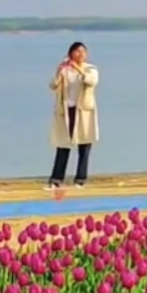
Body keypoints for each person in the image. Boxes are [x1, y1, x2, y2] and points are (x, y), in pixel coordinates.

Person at [47, 41, 99, 189]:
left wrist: (78, 69)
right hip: (66, 110)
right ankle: (56, 179)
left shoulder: (91, 69)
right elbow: (53, 85)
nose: (80, 54)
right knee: (63, 144)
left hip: (83, 111)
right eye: (77, 51)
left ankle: (80, 179)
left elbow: (91, 81)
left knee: (84, 145)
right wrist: (59, 72)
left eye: (83, 52)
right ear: (70, 54)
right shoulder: (65, 69)